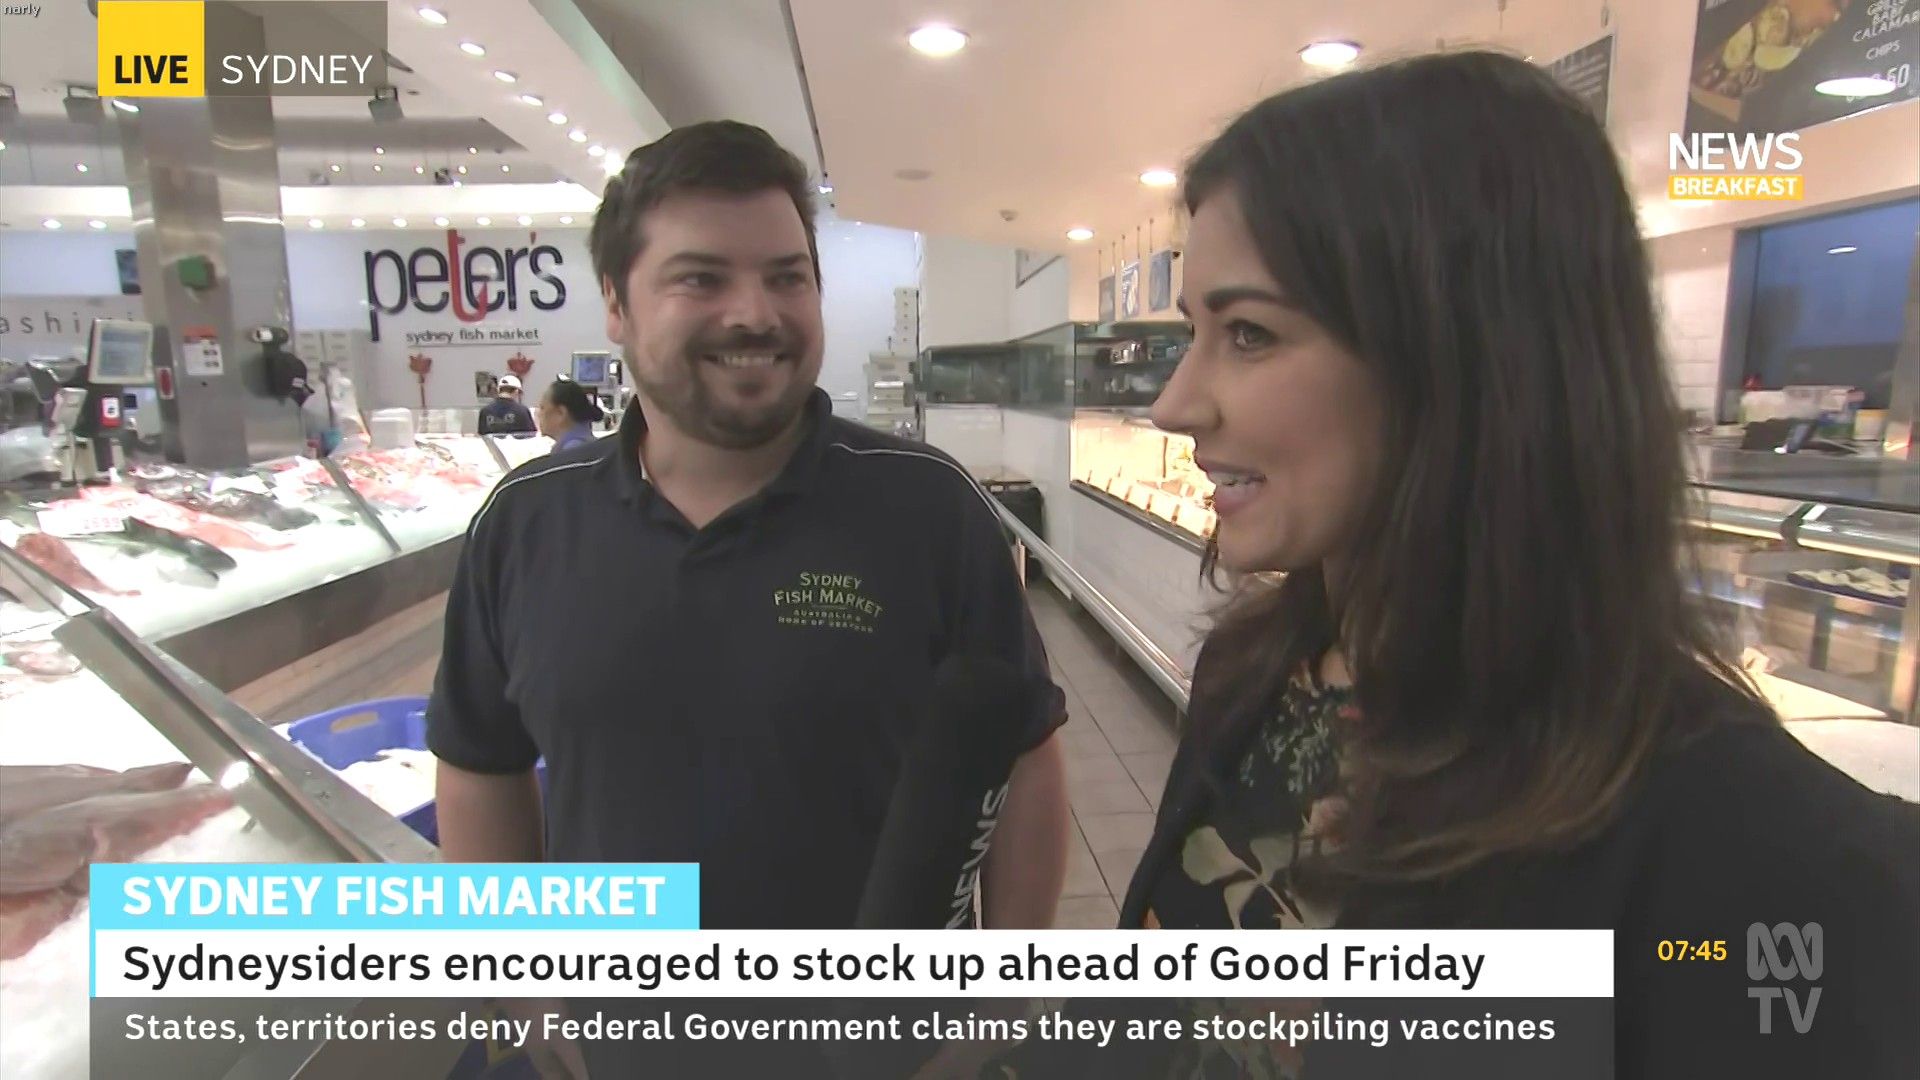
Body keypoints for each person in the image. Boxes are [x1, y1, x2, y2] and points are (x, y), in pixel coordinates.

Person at [1100, 50, 1916, 1077]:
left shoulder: (1756, 855)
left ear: (1460, 356)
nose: (1174, 404)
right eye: (1194, 332)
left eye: (1250, 334)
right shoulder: (1251, 674)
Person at [428, 120, 1070, 1075]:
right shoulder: (527, 523)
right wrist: (520, 986)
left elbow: (1025, 759)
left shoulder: (926, 507)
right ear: (616, 303)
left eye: (786, 277)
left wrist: (1000, 1007)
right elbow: (482, 767)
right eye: (702, 279)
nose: (756, 313)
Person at [533, 377, 602, 451]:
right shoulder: (587, 444)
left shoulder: (573, 450)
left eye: (542, 408)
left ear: (560, 413)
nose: (539, 414)